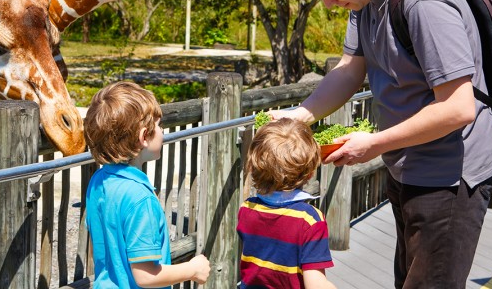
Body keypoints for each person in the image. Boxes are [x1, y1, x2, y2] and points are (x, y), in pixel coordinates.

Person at [276, 0, 492, 288]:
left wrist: (374, 144)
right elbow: (350, 71)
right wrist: (298, 116)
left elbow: (457, 108)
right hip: (407, 166)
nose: (331, 5)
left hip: (449, 176)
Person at [84, 81, 210, 288]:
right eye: (159, 126)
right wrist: (193, 269)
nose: (163, 131)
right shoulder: (140, 199)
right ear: (144, 137)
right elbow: (146, 275)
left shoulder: (98, 181)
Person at [237, 118, 336, 289]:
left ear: (254, 167)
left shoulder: (247, 209)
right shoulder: (310, 220)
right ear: (310, 173)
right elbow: (316, 283)